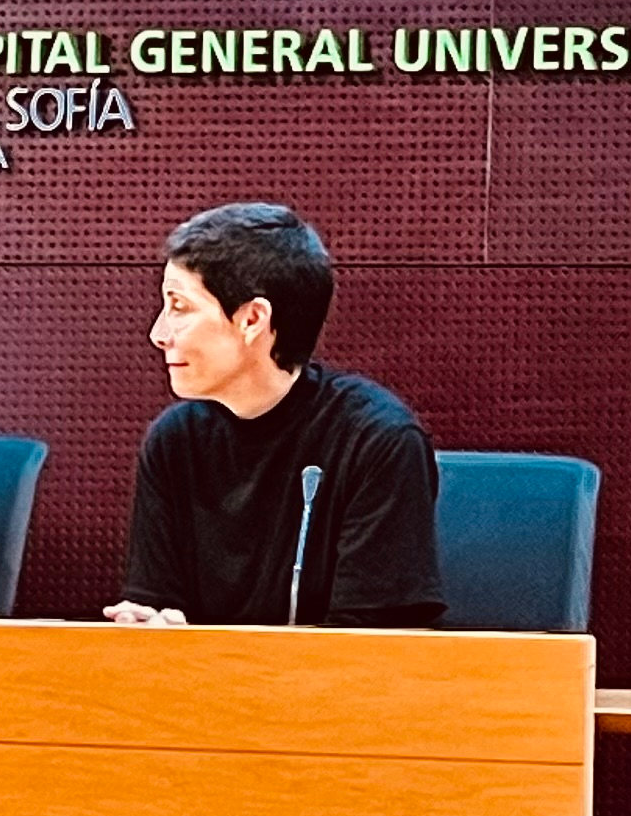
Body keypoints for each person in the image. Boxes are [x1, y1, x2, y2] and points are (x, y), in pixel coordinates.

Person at [107, 202, 442, 628]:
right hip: (201, 672)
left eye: (179, 307)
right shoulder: (175, 440)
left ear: (252, 319)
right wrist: (146, 626)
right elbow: (156, 604)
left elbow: (374, 647)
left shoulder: (377, 440)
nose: (158, 334)